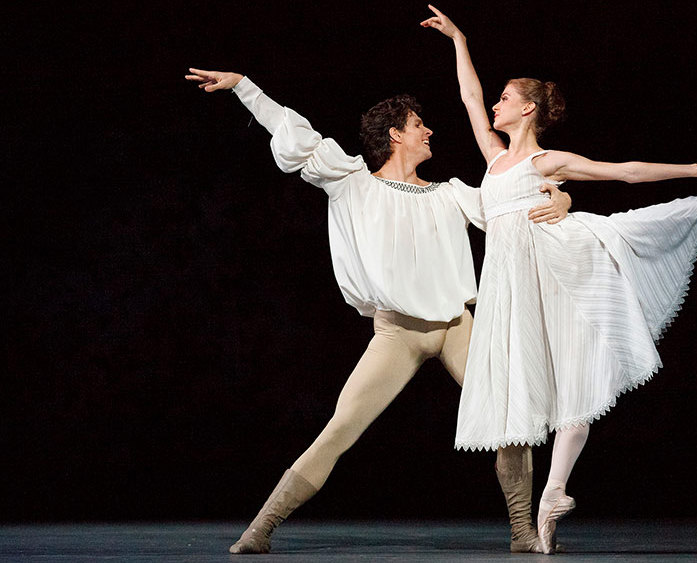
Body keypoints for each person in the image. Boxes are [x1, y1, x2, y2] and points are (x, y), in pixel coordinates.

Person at [421, 5, 697, 554]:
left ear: (527, 108)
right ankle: (551, 501)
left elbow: (624, 172)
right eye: (499, 97)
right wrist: (459, 38)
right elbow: (469, 98)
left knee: (688, 211)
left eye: (507, 97)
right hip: (519, 290)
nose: (497, 104)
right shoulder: (495, 158)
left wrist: (691, 169)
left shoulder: (547, 162)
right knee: (568, 394)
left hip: (573, 262)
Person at [186, 67, 573, 554]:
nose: (429, 130)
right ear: (396, 134)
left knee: (510, 417)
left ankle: (523, 531)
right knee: (342, 426)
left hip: (458, 325)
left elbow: (513, 203)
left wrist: (561, 197)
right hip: (397, 335)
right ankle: (260, 527)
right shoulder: (352, 182)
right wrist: (245, 87)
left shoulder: (452, 192)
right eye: (418, 125)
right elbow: (294, 132)